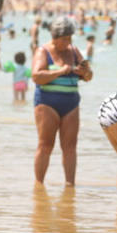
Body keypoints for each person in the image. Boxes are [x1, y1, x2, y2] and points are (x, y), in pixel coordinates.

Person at [32, 17, 91, 187]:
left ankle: (70, 185)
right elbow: (36, 76)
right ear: (55, 36)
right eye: (65, 38)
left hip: (71, 104)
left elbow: (89, 76)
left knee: (70, 146)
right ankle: (39, 185)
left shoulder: (73, 51)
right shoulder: (43, 51)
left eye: (70, 38)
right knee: (45, 145)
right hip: (46, 103)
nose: (68, 42)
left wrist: (84, 72)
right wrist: (60, 71)